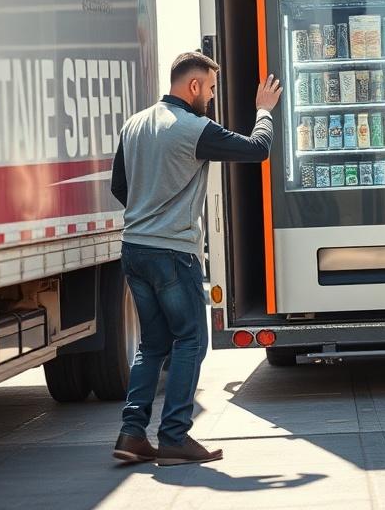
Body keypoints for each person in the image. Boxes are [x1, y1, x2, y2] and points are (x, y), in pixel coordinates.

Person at [110, 51, 281, 464]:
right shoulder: (193, 128)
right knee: (190, 340)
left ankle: (131, 435)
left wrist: (150, 206)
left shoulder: (134, 124)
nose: (211, 96)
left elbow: (120, 186)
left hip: (134, 249)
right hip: (173, 252)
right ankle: (173, 437)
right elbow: (257, 150)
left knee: (152, 345)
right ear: (193, 86)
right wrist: (263, 111)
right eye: (210, 88)